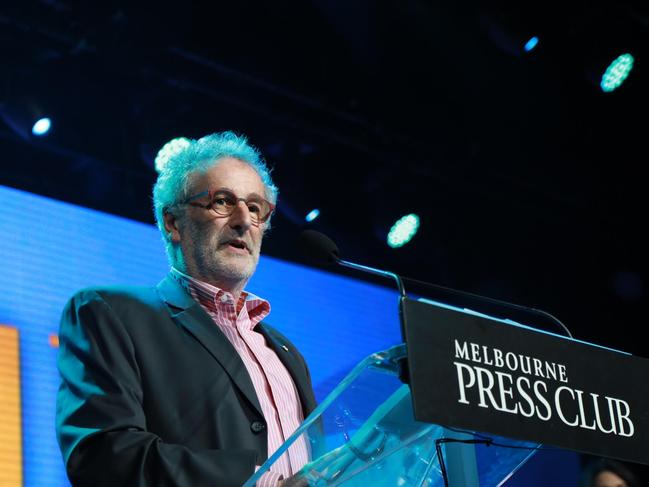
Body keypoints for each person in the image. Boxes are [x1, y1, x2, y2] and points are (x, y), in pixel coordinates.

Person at [56, 131, 317, 487]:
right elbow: (103, 454)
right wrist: (258, 482)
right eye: (223, 202)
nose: (243, 220)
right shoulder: (111, 313)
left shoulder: (286, 353)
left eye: (256, 208)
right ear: (173, 223)